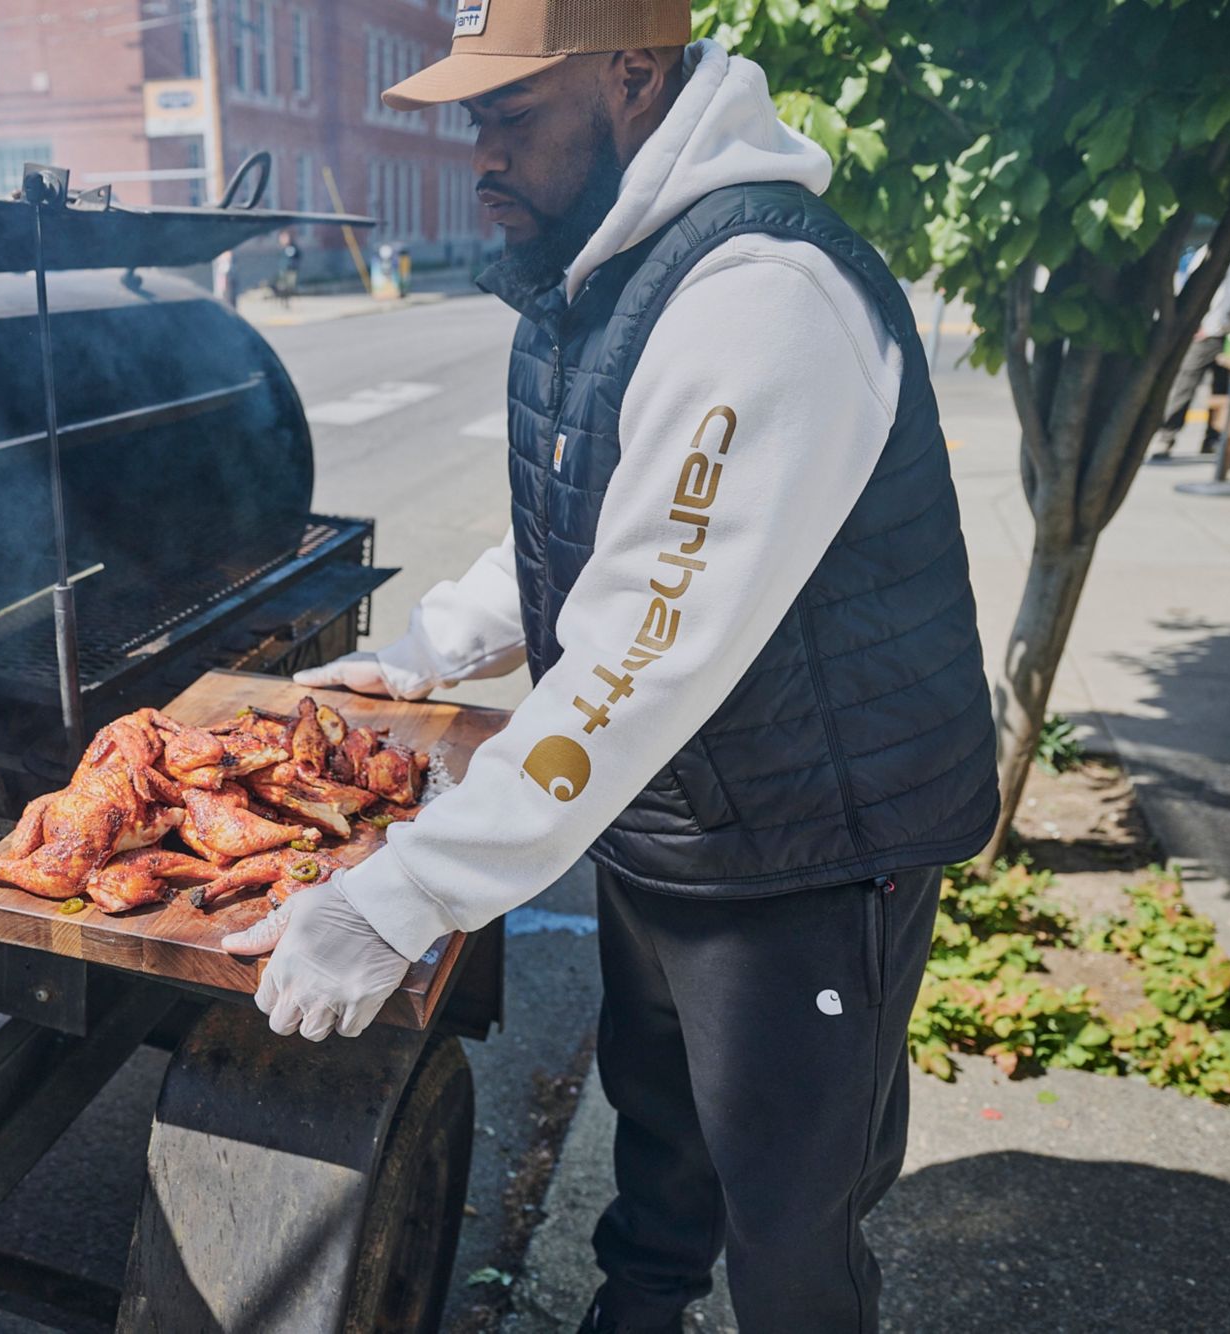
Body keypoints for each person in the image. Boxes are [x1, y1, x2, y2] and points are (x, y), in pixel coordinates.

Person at [220, 3, 999, 1330]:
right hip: (671, 812)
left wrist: (403, 894)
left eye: (511, 116)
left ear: (634, 74)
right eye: (473, 122)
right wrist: (426, 651)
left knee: (791, 1226)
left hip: (808, 846)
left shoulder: (764, 299)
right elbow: (587, 527)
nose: (480, 156)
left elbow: (643, 647)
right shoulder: (603, 266)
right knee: (659, 1139)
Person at [1149, 218, 1230, 461]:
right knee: (1185, 385)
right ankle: (1166, 437)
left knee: (1225, 390)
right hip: (1209, 330)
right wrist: (1196, 322)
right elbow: (1189, 286)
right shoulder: (1218, 251)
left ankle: (1213, 439)